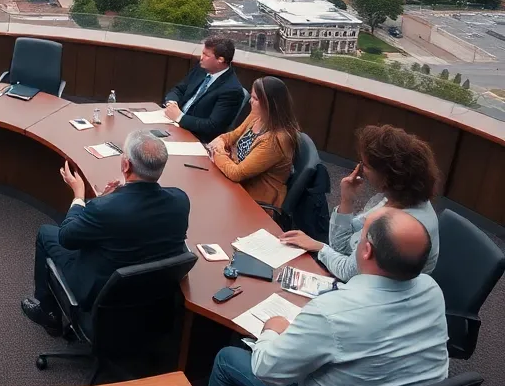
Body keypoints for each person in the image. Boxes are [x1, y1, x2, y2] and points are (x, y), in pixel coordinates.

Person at [204, 208, 448, 386]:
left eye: (361, 235)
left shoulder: (333, 311)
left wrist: (272, 330)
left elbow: (266, 369)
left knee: (228, 359)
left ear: (366, 250)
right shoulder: (432, 290)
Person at [21, 131, 190, 335]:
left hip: (99, 291)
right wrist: (104, 200)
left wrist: (79, 196)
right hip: (146, 294)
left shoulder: (105, 210)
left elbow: (66, 236)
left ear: (126, 165)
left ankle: (49, 313)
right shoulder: (180, 201)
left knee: (46, 233)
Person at [280, 125, 440, 282]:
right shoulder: (393, 198)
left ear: (388, 175)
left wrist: (319, 247)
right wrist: (347, 200)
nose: (360, 169)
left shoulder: (400, 225)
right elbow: (340, 246)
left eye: (366, 165)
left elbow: (349, 273)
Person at [207, 76, 298, 208]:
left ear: (269, 104)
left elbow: (236, 173)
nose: (250, 101)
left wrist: (217, 152)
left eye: (255, 99)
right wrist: (221, 144)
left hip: (253, 200)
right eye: (252, 96)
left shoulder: (276, 140)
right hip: (235, 184)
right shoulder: (257, 116)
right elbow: (230, 137)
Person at [162, 36, 244, 144]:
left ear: (220, 60)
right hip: (173, 123)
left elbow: (212, 126)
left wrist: (180, 117)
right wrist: (171, 103)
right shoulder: (201, 68)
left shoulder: (232, 90)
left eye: (206, 55)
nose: (201, 58)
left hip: (196, 138)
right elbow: (179, 89)